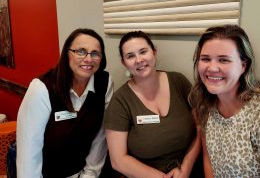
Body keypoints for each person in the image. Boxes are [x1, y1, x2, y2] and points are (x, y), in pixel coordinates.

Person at [189, 24, 260, 178]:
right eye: (205, 59)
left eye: (224, 60)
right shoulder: (206, 106)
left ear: (243, 66)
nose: (212, 68)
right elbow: (209, 161)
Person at [104, 31, 203, 178]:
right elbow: (118, 161)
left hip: (189, 170)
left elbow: (200, 127)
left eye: (143, 51)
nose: (138, 60)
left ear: (154, 52)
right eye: (130, 56)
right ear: (124, 63)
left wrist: (185, 169)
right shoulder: (120, 101)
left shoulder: (178, 81)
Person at [17, 28, 113, 178]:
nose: (88, 59)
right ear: (67, 53)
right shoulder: (41, 88)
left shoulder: (105, 83)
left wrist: (89, 174)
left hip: (88, 172)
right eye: (80, 51)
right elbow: (28, 155)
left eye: (95, 53)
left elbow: (101, 136)